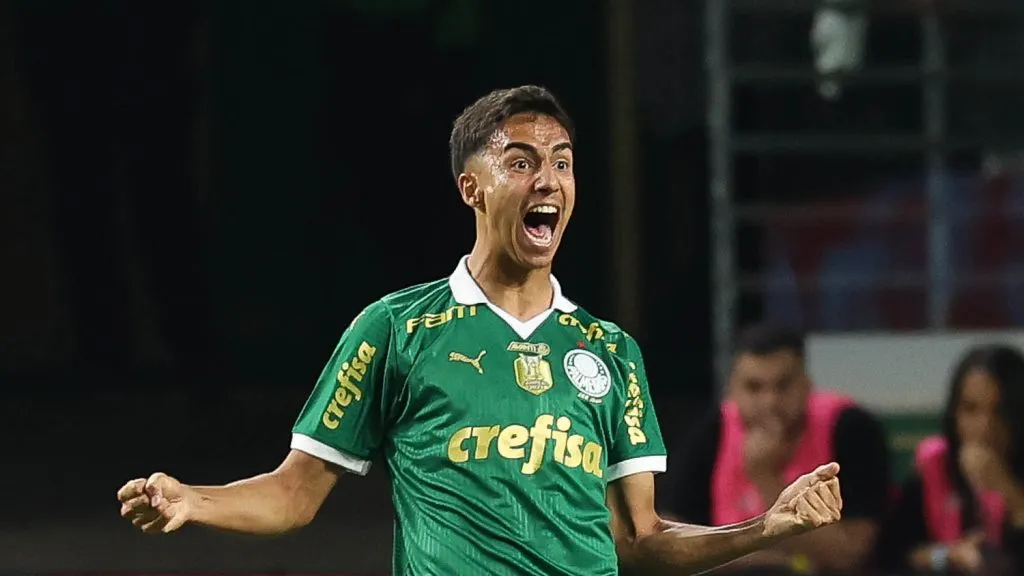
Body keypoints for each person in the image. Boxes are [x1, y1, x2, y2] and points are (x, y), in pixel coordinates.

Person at [116, 85, 844, 575]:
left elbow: (639, 541)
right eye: (521, 162)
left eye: (561, 162)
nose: (548, 181)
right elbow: (293, 495)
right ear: (472, 187)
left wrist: (767, 528)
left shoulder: (610, 352)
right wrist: (194, 499)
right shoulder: (396, 329)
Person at [665, 324, 889, 573]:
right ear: (732, 391)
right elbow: (673, 548)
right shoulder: (711, 433)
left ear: (807, 385)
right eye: (754, 387)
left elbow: (849, 556)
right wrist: (777, 562)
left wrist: (765, 477)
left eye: (783, 386)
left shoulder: (851, 428)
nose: (770, 402)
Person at [879, 344, 1024, 574]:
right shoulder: (934, 464)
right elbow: (893, 553)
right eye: (970, 409)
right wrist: (946, 556)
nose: (985, 427)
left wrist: (1007, 490)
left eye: (1000, 411)